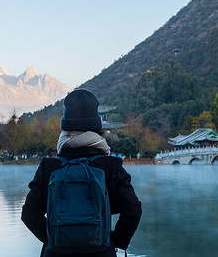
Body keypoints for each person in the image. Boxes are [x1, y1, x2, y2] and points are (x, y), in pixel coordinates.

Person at [22, 89, 142, 257]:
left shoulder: (49, 167)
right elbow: (133, 210)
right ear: (97, 127)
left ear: (65, 126)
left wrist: (54, 239)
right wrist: (114, 241)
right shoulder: (111, 167)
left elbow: (29, 215)